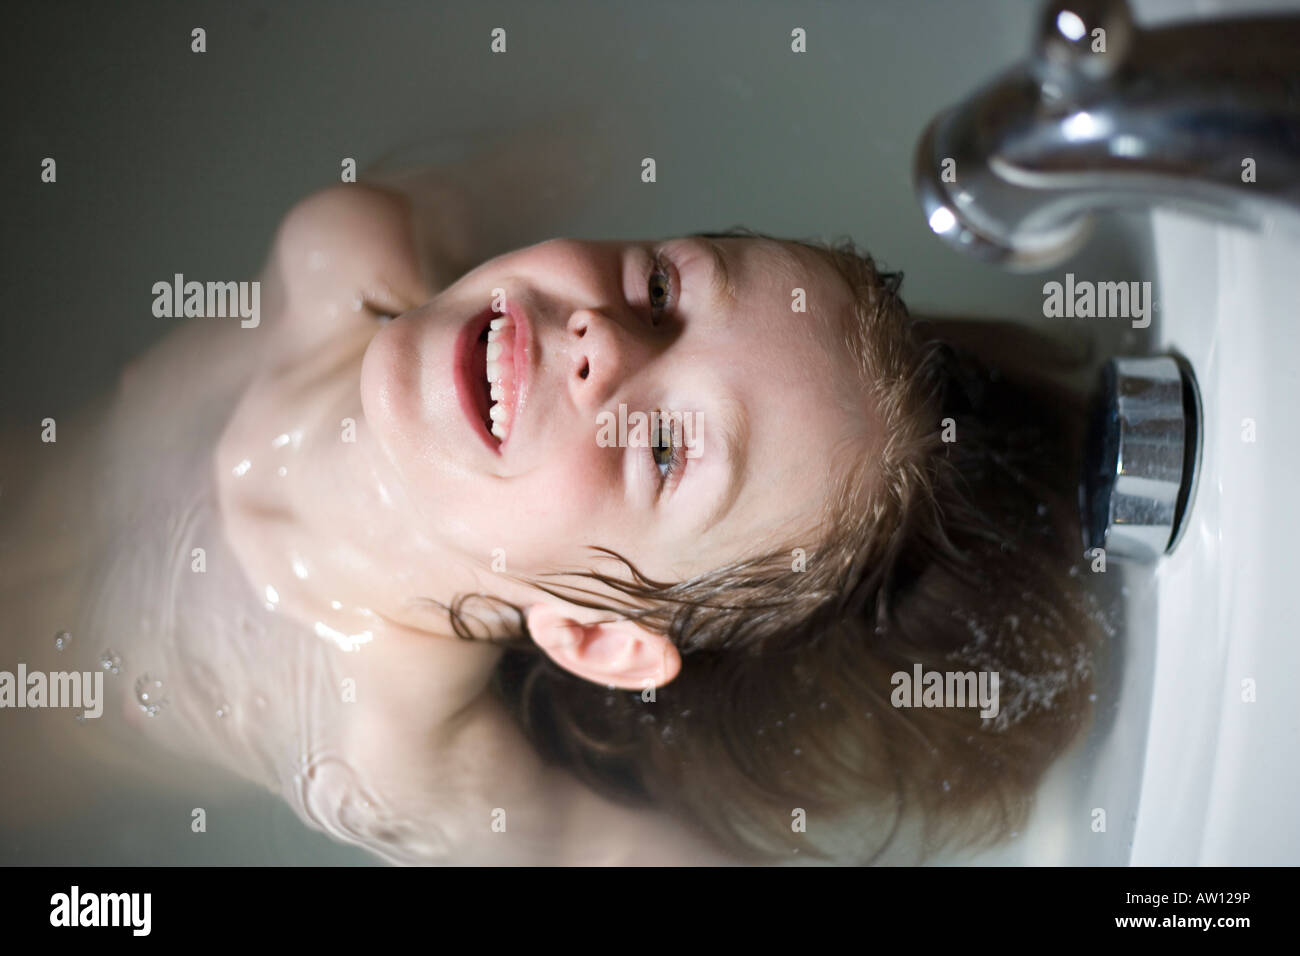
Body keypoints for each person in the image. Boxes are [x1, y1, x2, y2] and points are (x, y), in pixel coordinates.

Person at [0, 145, 1103, 865]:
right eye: (662, 291)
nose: (605, 340)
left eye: (666, 448)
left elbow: (603, 854)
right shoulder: (343, 244)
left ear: (594, 638)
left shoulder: (377, 743)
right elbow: (547, 131)